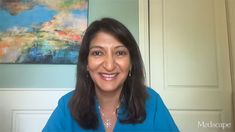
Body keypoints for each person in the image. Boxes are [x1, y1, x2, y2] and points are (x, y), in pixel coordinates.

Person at [43, 17, 179, 132]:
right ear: (86, 64)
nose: (109, 66)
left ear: (131, 63)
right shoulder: (67, 106)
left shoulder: (152, 102)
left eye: (120, 53)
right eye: (98, 53)